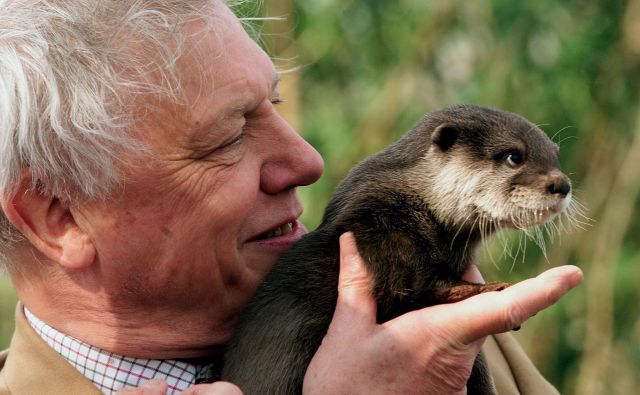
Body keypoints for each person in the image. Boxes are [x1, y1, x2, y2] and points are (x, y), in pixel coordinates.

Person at [0, 1, 582, 394]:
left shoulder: (451, 337)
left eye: (272, 106)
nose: (307, 162)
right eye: (228, 136)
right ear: (60, 218)